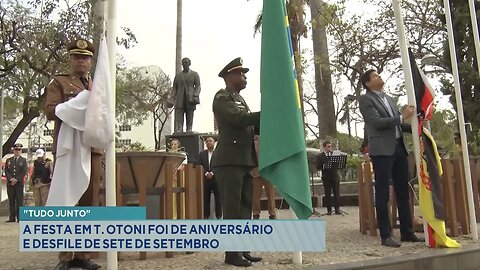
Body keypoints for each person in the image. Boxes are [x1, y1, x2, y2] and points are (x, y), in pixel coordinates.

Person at [44, 38, 102, 270]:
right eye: (77, 56)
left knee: (89, 203)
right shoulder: (58, 82)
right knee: (68, 201)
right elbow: (50, 111)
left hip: (92, 148)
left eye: (85, 57)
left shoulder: (97, 85)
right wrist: (79, 102)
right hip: (69, 148)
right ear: (71, 59)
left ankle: (83, 255)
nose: (81, 61)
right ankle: (65, 257)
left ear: (90, 62)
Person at [358, 69, 423, 247]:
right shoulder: (366, 100)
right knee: (382, 193)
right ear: (368, 84)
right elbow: (376, 123)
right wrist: (402, 116)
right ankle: (386, 235)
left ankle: (407, 232)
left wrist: (417, 128)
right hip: (382, 151)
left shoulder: (389, 99)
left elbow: (399, 123)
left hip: (399, 148)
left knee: (403, 191)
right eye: (375, 76)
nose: (380, 76)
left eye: (379, 74)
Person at [211, 57, 262, 267]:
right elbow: (239, 120)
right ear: (229, 76)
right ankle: (232, 254)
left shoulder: (240, 99)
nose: (245, 77)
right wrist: (265, 113)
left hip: (243, 159)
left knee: (244, 208)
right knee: (232, 209)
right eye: (241, 73)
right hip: (229, 160)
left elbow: (250, 126)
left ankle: (243, 249)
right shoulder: (222, 98)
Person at [169, 57, 201, 133]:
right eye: (183, 63)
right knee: (179, 112)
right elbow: (174, 88)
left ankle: (189, 128)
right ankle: (179, 128)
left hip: (190, 97)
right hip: (180, 97)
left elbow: (198, 86)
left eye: (186, 62)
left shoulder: (194, 74)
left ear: (189, 63)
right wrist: (172, 97)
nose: (185, 64)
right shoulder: (178, 76)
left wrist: (196, 95)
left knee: (190, 112)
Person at [251, 135, 276, 220]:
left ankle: (272, 213)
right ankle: (256, 213)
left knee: (270, 193)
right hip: (256, 172)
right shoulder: (253, 142)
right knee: (255, 195)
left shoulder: (270, 142)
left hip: (268, 171)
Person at [198, 136, 222, 219]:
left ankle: (219, 216)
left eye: (210, 141)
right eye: (207, 141)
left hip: (216, 178)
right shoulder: (202, 154)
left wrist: (212, 173)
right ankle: (206, 216)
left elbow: (219, 165)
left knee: (218, 198)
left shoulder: (218, 153)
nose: (208, 142)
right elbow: (200, 165)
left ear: (214, 142)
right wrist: (206, 173)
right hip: (205, 179)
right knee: (205, 198)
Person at [316, 141, 341, 215]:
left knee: (337, 193)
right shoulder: (320, 156)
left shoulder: (334, 155)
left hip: (335, 176)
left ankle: (337, 209)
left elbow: (339, 164)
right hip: (326, 177)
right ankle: (329, 210)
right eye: (328, 146)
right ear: (324, 147)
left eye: (330, 146)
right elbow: (318, 167)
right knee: (328, 194)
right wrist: (324, 165)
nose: (330, 148)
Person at [5, 143, 27, 222]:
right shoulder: (9, 160)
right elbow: (6, 171)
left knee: (19, 201)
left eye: (19, 150)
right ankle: (12, 217)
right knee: (11, 201)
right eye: (16, 150)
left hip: (19, 183)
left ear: (21, 151)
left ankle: (20, 217)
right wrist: (11, 179)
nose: (18, 151)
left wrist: (16, 179)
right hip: (10, 183)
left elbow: (24, 171)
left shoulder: (23, 160)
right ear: (13, 150)